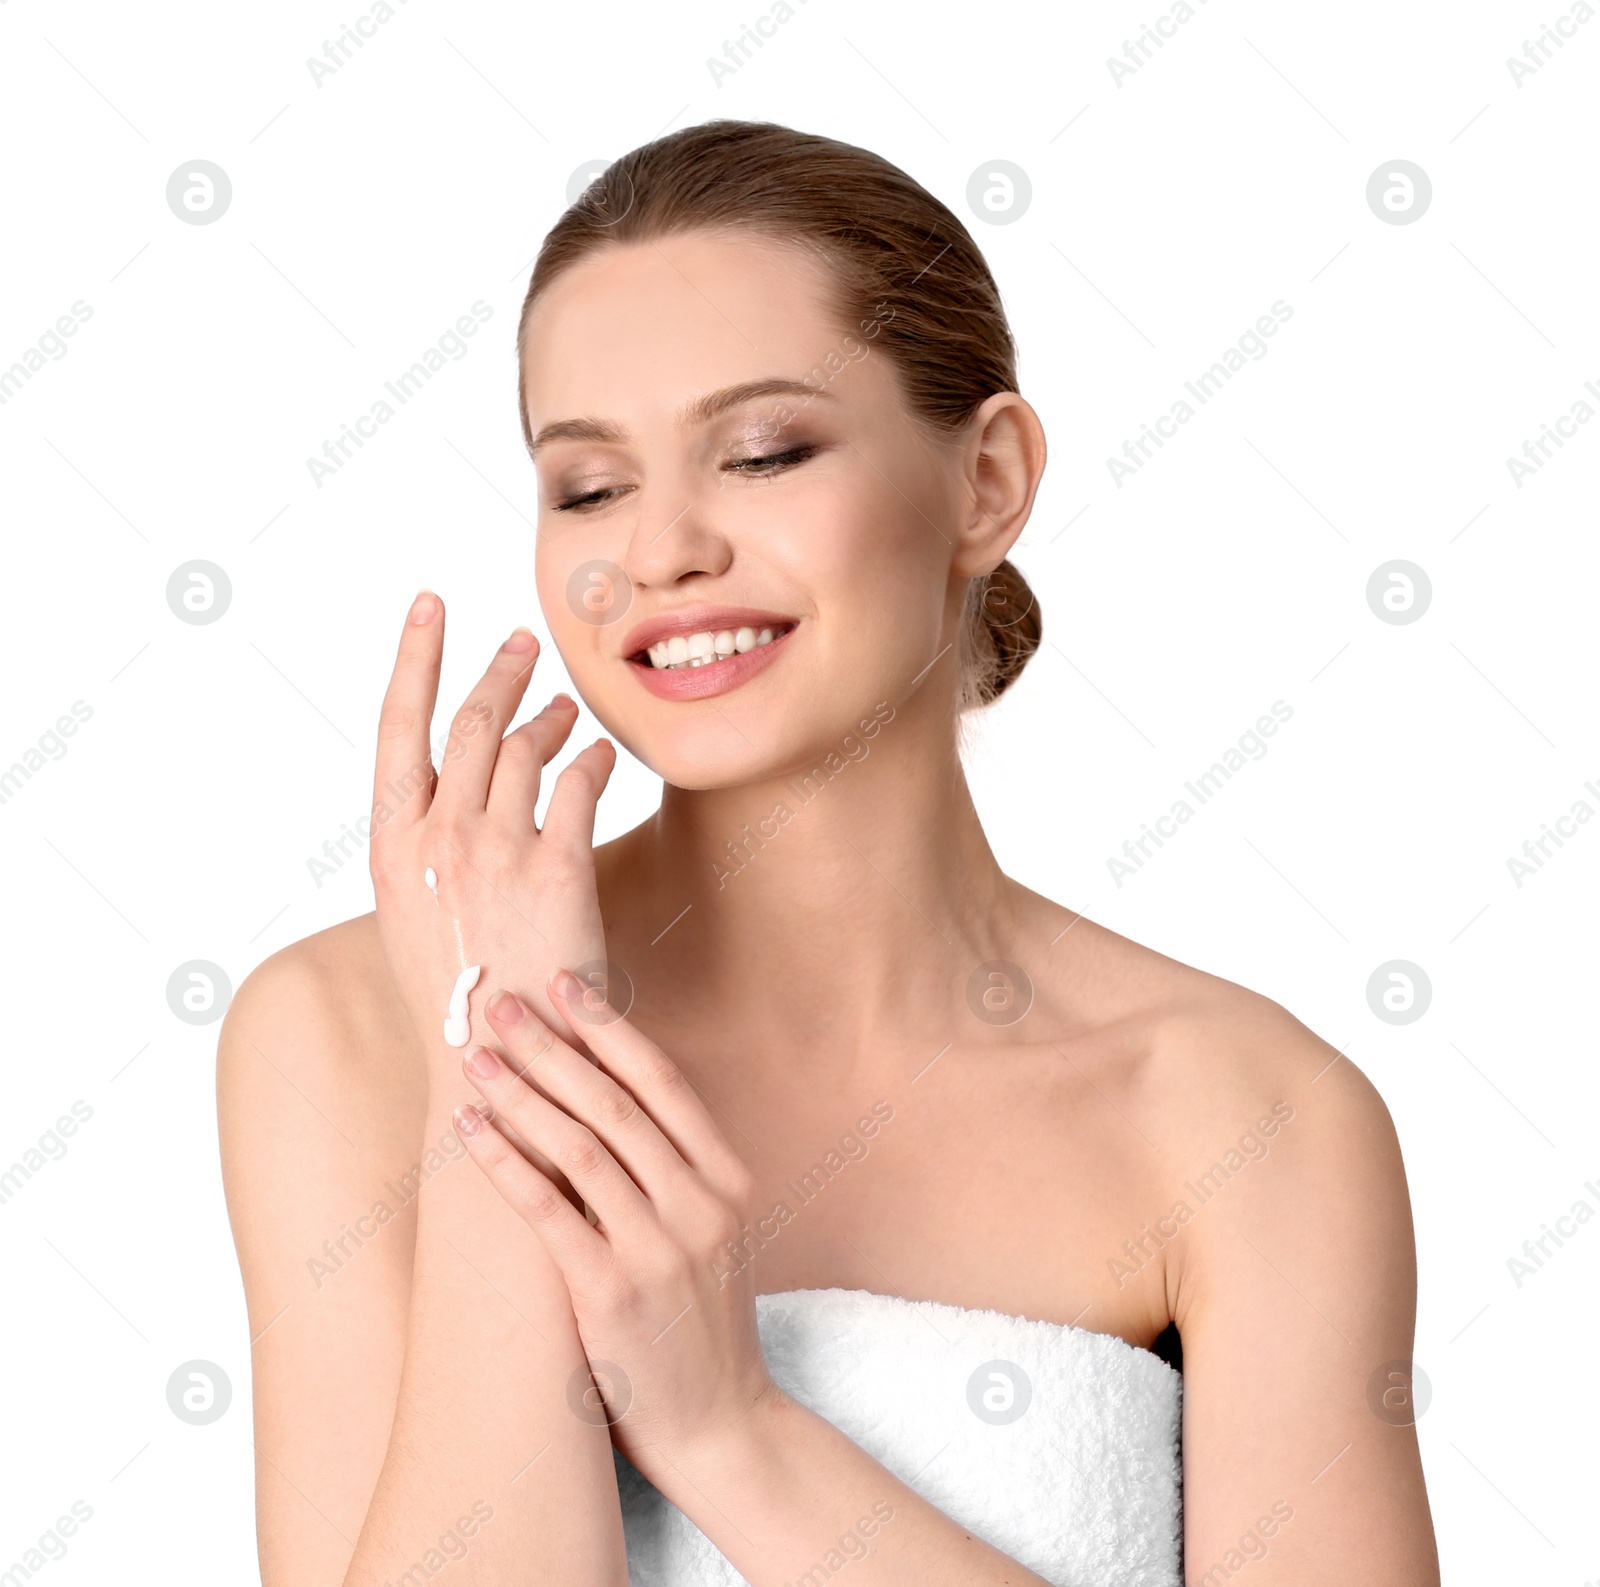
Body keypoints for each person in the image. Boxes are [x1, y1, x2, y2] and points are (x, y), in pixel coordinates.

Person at [218, 119, 1440, 1586]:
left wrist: (734, 1431)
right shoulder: (353, 1029)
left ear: (986, 481)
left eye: (763, 451)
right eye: (589, 484)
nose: (660, 549)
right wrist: (504, 1062)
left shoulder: (1251, 1117)